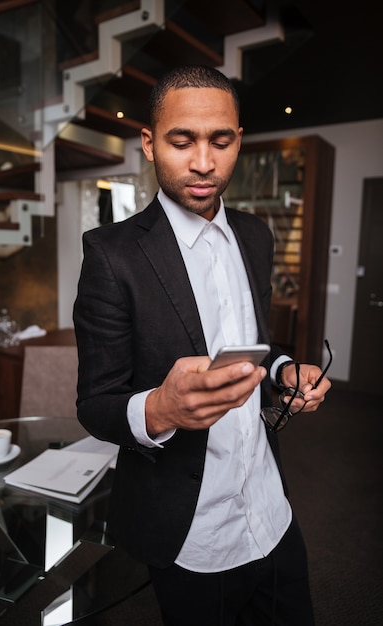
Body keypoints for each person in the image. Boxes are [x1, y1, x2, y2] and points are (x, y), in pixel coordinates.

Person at [73, 64, 331, 626]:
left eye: (220, 140)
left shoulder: (256, 234)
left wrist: (284, 369)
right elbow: (94, 403)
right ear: (148, 142)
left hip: (271, 509)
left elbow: (252, 346)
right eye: (181, 140)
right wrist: (161, 407)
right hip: (192, 533)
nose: (203, 163)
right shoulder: (111, 255)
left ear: (238, 139)